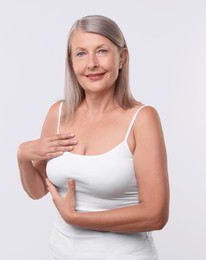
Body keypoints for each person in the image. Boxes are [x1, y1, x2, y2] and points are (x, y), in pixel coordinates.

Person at [17, 15, 169, 259]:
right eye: (81, 54)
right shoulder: (58, 114)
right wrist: (23, 156)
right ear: (71, 62)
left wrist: (77, 218)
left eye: (101, 51)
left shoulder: (142, 119)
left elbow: (156, 215)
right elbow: (37, 191)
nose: (91, 64)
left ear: (122, 58)